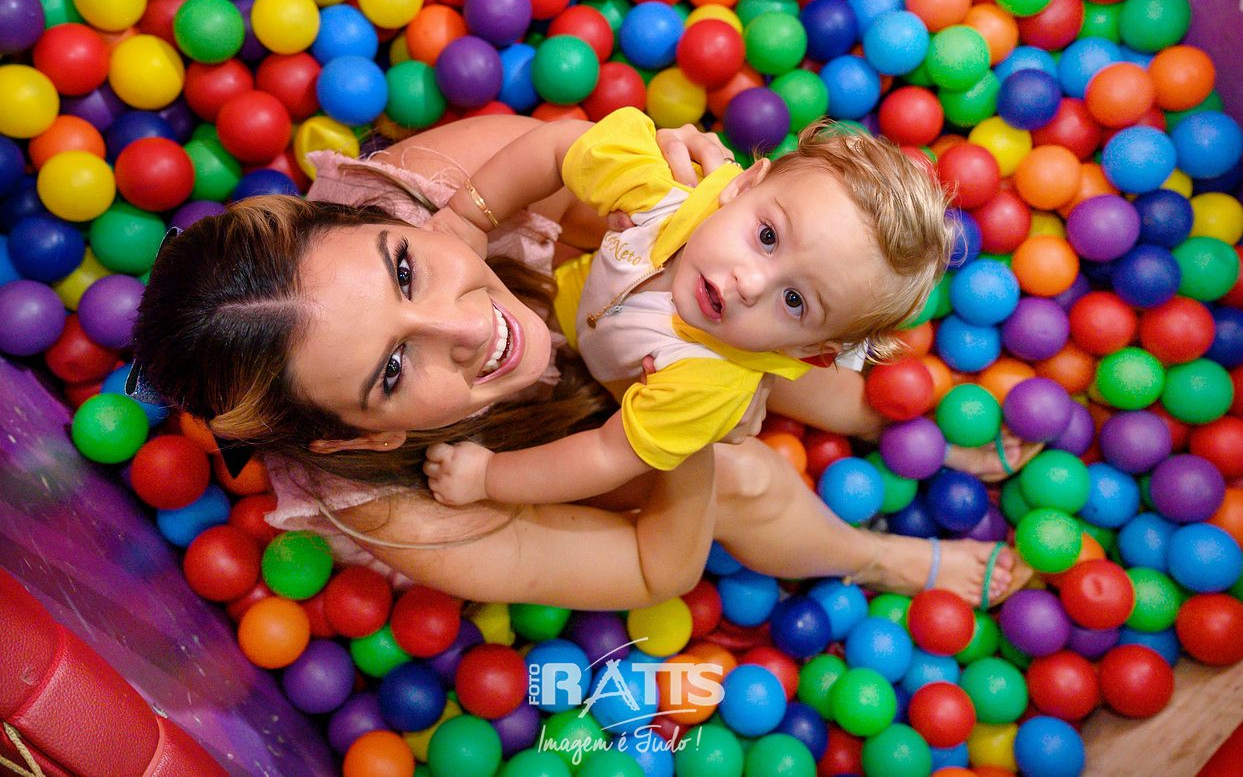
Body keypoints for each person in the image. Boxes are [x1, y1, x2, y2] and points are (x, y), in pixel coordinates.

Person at [128, 114, 1030, 611]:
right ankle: (872, 555)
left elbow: (574, 171)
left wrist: (683, 207)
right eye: (393, 370)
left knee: (767, 321)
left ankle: (899, 430)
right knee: (745, 474)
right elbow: (655, 573)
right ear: (365, 434)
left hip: (610, 309)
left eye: (404, 270)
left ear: (377, 221)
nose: (469, 324)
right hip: (533, 447)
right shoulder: (400, 513)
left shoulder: (446, 191)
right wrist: (688, 436)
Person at [421, 108, 953, 509]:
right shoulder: (667, 191)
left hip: (657, 378)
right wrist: (470, 216)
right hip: (575, 307)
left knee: (814, 411)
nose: (750, 282)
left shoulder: (705, 386)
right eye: (767, 236)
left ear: (808, 345)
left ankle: (905, 433)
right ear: (741, 185)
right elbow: (561, 146)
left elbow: (606, 453)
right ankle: (896, 420)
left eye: (794, 299)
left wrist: (489, 477)